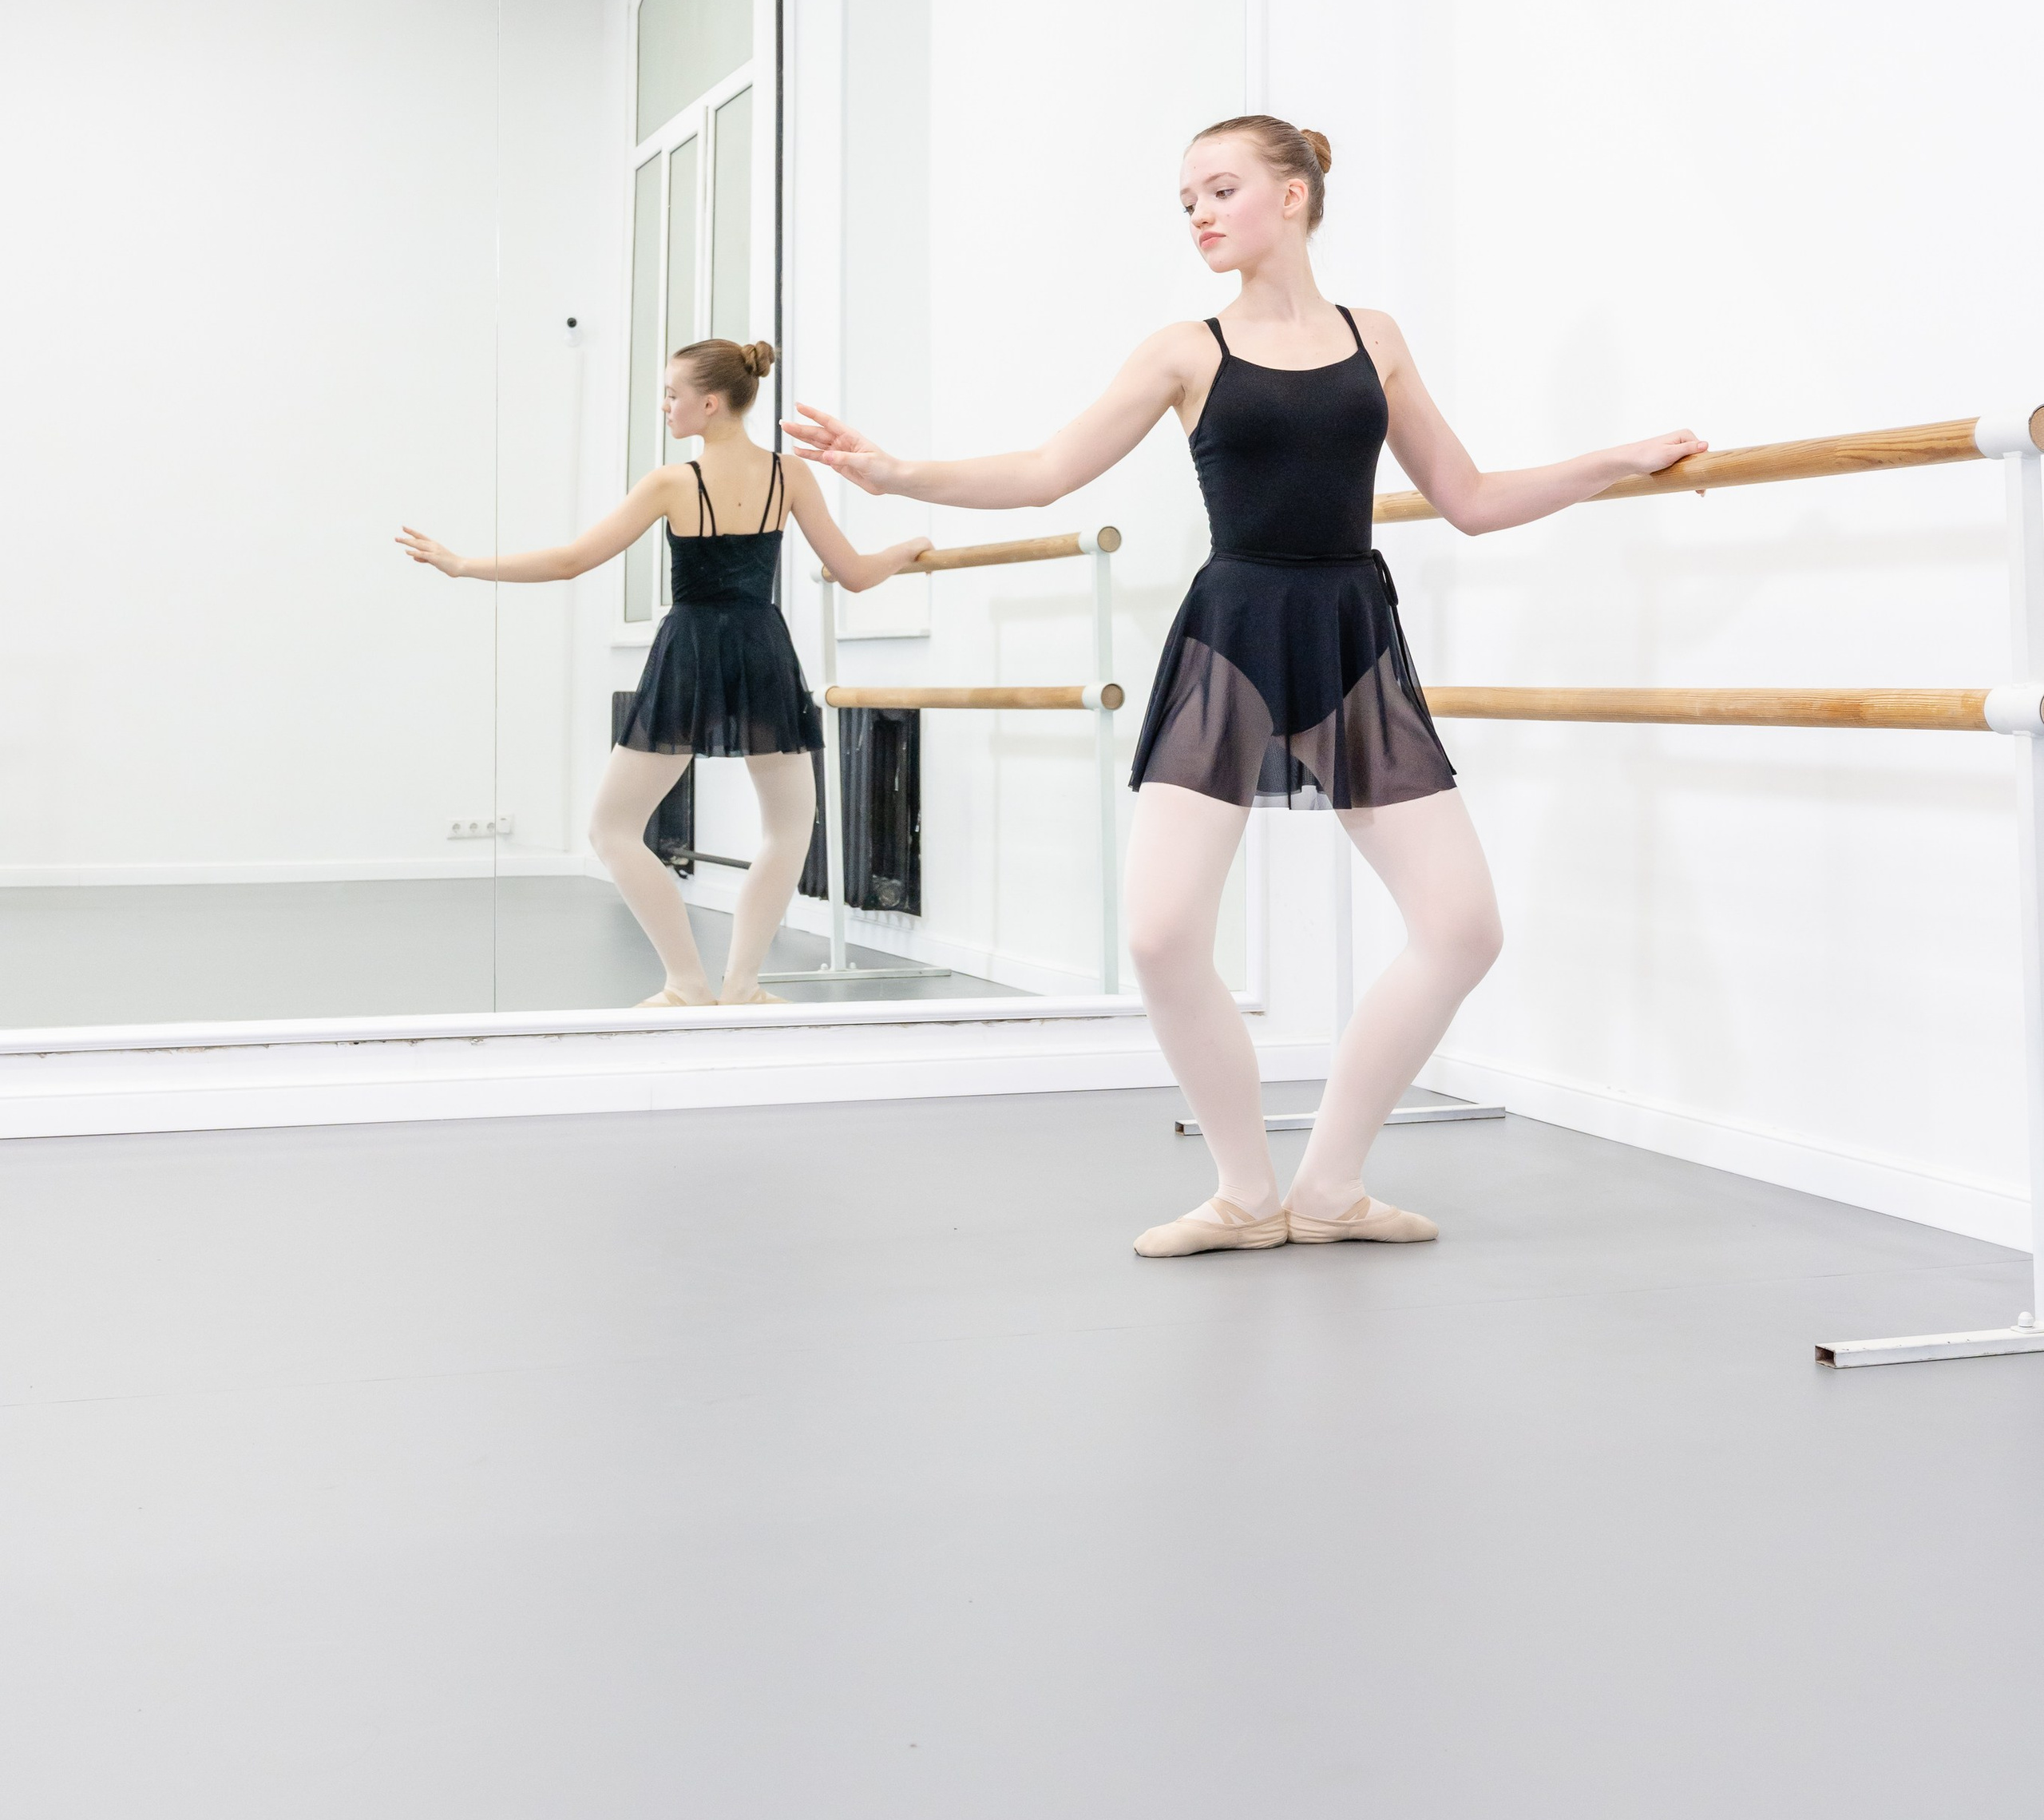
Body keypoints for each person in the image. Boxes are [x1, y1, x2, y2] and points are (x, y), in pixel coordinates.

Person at [786, 116, 1705, 1251]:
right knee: (1164, 934)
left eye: (1221, 189)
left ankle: (1329, 1184)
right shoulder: (1187, 349)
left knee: (1462, 926)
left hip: (1350, 636)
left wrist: (1614, 460)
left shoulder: (1379, 337)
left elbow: (1467, 497)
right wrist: (894, 473)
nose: (1201, 215)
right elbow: (1043, 473)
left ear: (1296, 196)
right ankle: (1244, 1191)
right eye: (1187, 200)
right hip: (1233, 638)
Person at [399, 337, 930, 1007]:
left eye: (673, 394)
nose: (666, 406)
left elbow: (571, 560)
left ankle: (687, 982)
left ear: (709, 404)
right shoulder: (791, 476)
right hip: (762, 648)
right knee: (791, 826)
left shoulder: (673, 482)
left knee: (611, 828)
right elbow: (854, 573)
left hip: (691, 650)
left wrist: (466, 564)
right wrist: (904, 549)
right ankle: (741, 985)